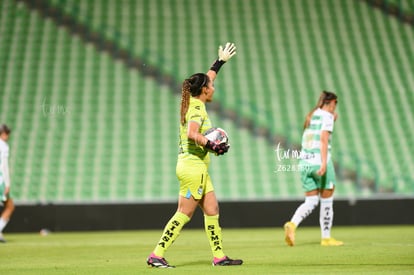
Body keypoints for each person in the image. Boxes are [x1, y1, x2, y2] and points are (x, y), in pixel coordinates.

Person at [146, 42, 243, 268]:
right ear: (205, 90)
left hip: (193, 165)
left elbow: (208, 77)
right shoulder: (197, 109)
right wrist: (212, 144)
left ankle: (219, 257)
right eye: (211, 85)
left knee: (212, 209)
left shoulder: (194, 101)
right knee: (184, 214)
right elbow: (192, 134)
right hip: (193, 167)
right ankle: (156, 255)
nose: (213, 86)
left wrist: (219, 63)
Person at [284, 91, 343, 247]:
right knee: (327, 200)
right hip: (319, 160)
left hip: (304, 162)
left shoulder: (312, 115)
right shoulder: (328, 117)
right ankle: (326, 237)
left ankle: (292, 224)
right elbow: (323, 139)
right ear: (331, 103)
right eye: (334, 105)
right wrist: (324, 163)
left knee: (310, 200)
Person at [0, 124, 15, 243]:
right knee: (10, 206)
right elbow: (4, 166)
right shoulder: (3, 146)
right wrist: (7, 183)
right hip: (0, 180)